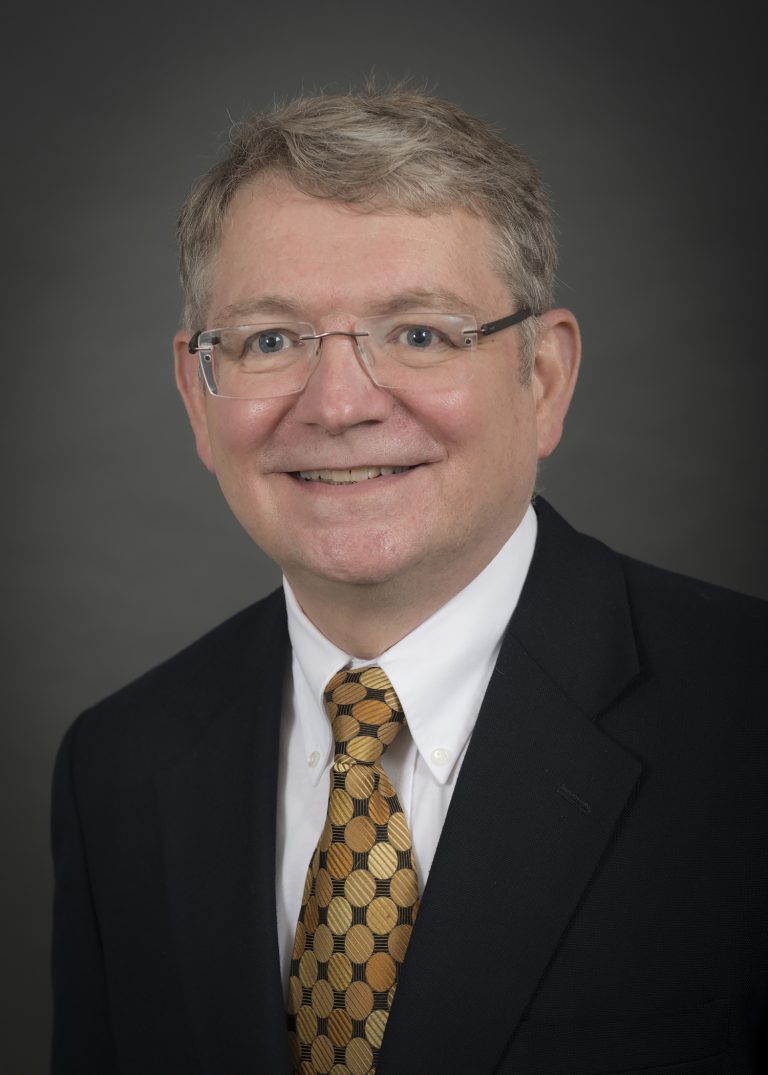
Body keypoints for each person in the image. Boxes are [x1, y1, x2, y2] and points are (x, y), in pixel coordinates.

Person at [51, 88, 766, 1075]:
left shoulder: (747, 716)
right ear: (197, 394)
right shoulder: (118, 769)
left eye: (421, 333)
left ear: (544, 379)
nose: (339, 404)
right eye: (271, 340)